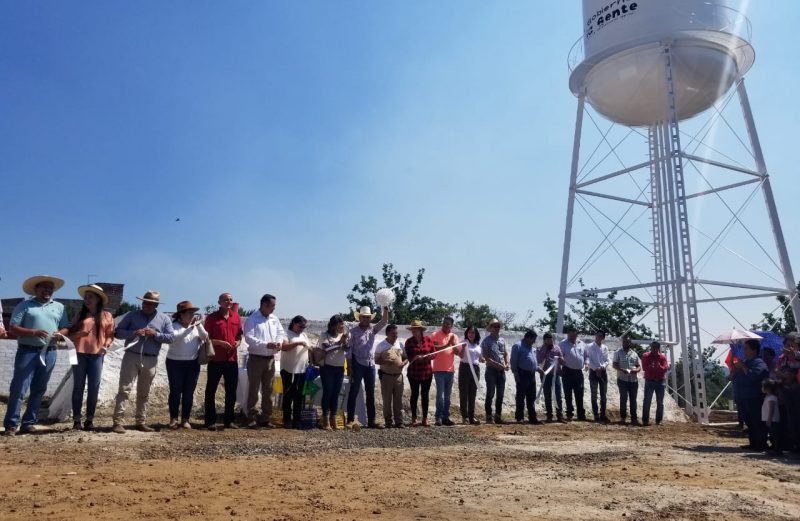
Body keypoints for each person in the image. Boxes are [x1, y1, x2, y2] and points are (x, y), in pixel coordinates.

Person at [4, 275, 70, 435]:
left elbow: (65, 327)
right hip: (27, 351)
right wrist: (33, 332)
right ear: (36, 289)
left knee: (39, 389)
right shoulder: (25, 305)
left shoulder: (60, 307)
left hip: (50, 352)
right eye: (44, 287)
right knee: (19, 388)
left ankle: (28, 422)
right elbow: (13, 327)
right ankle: (11, 424)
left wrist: (60, 334)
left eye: (50, 288)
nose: (47, 290)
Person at [112, 290, 174, 433]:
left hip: (151, 358)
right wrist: (134, 332)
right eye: (145, 302)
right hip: (131, 355)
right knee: (124, 389)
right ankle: (118, 422)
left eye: (150, 303)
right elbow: (118, 332)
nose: (146, 305)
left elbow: (171, 338)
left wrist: (155, 334)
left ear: (156, 304)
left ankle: (141, 421)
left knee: (144, 392)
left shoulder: (164, 319)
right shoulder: (132, 315)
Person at [68, 284, 114, 431]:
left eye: (90, 297)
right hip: (77, 354)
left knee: (94, 388)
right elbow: (69, 334)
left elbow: (110, 335)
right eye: (85, 297)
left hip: (97, 356)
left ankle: (89, 419)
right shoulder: (80, 315)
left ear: (98, 299)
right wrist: (78, 335)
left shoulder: (107, 316)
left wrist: (106, 345)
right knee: (78, 387)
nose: (87, 300)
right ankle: (76, 420)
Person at [204, 292, 244, 430]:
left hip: (231, 359)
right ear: (219, 302)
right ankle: (210, 421)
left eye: (231, 300)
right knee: (211, 391)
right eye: (226, 300)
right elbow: (205, 339)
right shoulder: (211, 318)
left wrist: (238, 343)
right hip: (215, 359)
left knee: (231, 391)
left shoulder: (236, 317)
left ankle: (229, 420)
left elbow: (239, 335)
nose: (229, 302)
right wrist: (219, 343)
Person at [243, 293, 283, 429]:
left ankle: (266, 417)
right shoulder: (252, 319)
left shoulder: (274, 319)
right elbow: (249, 338)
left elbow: (280, 332)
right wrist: (266, 344)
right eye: (272, 306)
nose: (274, 309)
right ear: (264, 305)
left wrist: (278, 343)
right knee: (254, 390)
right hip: (256, 359)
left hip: (270, 359)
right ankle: (251, 418)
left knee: (268, 389)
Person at [346, 305, 389, 429]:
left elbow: (384, 321)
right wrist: (349, 366)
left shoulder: (372, 329)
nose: (366, 319)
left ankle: (371, 421)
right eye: (364, 317)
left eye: (368, 317)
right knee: (353, 391)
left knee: (370, 393)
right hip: (357, 363)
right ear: (359, 318)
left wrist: (385, 309)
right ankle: (350, 419)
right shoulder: (353, 332)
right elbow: (349, 349)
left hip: (370, 364)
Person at [167, 300, 205, 430]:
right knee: (175, 391)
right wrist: (190, 327)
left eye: (193, 313)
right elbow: (174, 338)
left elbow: (205, 337)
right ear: (181, 315)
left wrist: (198, 325)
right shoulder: (174, 326)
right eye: (189, 313)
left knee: (189, 392)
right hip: (174, 363)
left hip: (193, 363)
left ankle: (185, 419)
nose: (192, 315)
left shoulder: (196, 326)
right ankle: (173, 418)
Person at [732, 338, 769, 451]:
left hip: (753, 397)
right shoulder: (747, 362)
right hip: (743, 397)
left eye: (746, 348)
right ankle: (753, 443)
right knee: (749, 422)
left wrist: (743, 367)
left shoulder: (758, 362)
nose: (744, 351)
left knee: (756, 421)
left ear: (754, 350)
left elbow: (756, 377)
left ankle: (761, 444)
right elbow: (739, 376)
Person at [318, 315, 349, 430]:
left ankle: (333, 418)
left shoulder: (343, 336)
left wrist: (345, 343)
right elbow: (326, 349)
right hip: (327, 367)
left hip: (340, 368)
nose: (342, 326)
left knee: (336, 394)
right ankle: (325, 419)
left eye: (343, 324)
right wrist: (339, 343)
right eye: (340, 324)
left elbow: (347, 349)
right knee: (328, 392)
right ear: (334, 325)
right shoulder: (324, 335)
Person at [280, 315, 310, 429]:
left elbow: (309, 349)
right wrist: (297, 343)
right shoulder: (286, 334)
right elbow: (284, 347)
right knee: (288, 394)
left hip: (301, 369)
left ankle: (297, 419)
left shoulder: (304, 335)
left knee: (299, 396)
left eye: (304, 327)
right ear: (293, 323)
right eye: (300, 326)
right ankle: (287, 419)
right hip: (288, 369)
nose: (302, 329)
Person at [375, 324, 407, 428]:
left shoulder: (400, 344)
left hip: (398, 376)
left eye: (396, 333)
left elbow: (406, 357)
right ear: (387, 334)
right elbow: (376, 360)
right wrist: (384, 361)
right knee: (387, 400)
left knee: (398, 400)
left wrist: (404, 363)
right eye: (393, 333)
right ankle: (388, 421)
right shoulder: (381, 345)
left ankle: (399, 421)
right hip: (386, 376)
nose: (395, 335)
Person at [405, 320, 435, 427]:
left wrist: (430, 356)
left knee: (425, 395)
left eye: (416, 329)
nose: (414, 331)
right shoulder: (409, 342)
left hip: (426, 372)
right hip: (414, 372)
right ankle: (414, 418)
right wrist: (416, 358)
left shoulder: (428, 340)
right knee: (414, 395)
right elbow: (409, 357)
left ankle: (425, 418)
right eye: (413, 329)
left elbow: (434, 353)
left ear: (420, 330)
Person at [431, 316, 459, 427]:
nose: (445, 325)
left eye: (448, 324)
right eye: (444, 323)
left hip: (450, 370)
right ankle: (438, 417)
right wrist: (448, 344)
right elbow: (434, 348)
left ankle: (446, 417)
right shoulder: (435, 335)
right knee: (440, 396)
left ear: (452, 326)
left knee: (447, 396)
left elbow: (456, 352)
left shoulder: (454, 336)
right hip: (438, 370)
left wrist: (453, 345)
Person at [510, 330, 541, 424]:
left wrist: (538, 369)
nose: (534, 342)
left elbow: (533, 361)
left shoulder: (532, 348)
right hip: (522, 374)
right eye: (533, 339)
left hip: (531, 375)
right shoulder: (518, 346)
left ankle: (532, 417)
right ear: (528, 338)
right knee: (521, 396)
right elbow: (513, 361)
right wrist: (515, 374)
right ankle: (520, 417)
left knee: (531, 397)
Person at [481, 318, 508, 424]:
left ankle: (498, 415)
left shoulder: (502, 340)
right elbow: (486, 357)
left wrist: (507, 363)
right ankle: (488, 416)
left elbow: (505, 353)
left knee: (500, 395)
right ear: (490, 328)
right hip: (491, 370)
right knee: (490, 394)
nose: (496, 328)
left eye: (498, 326)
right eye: (494, 326)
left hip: (502, 371)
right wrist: (497, 364)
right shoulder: (486, 341)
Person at [558, 326, 588, 421]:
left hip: (578, 372)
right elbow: (558, 357)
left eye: (574, 336)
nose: (572, 338)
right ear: (568, 334)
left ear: (576, 335)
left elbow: (587, 356)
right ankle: (569, 414)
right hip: (567, 371)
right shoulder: (562, 344)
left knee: (579, 394)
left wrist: (587, 363)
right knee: (568, 394)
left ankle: (581, 414)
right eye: (571, 335)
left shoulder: (582, 344)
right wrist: (560, 361)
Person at [457, 326, 484, 425]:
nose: (471, 334)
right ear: (466, 333)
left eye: (473, 333)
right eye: (469, 332)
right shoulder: (463, 342)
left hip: (475, 369)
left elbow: (480, 358)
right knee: (464, 393)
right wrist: (463, 348)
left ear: (476, 334)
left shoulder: (477, 345)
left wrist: (483, 359)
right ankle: (465, 417)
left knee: (472, 393)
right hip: (465, 368)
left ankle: (471, 416)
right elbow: (460, 355)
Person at [613, 335, 641, 426]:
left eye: (628, 342)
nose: (626, 343)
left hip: (633, 380)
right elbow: (614, 364)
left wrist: (636, 370)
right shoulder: (618, 352)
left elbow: (638, 366)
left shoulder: (634, 354)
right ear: (622, 342)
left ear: (630, 343)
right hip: (622, 379)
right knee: (623, 399)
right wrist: (622, 370)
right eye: (624, 342)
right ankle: (623, 418)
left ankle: (634, 419)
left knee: (633, 400)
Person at [641, 340, 670, 426]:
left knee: (660, 402)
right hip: (649, 381)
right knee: (647, 401)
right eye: (652, 347)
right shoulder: (645, 356)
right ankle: (645, 420)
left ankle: (659, 420)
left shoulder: (662, 357)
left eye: (655, 347)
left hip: (660, 382)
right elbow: (645, 368)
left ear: (658, 348)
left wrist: (658, 367)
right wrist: (657, 368)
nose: (653, 349)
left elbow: (665, 368)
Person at [537, 332, 564, 422]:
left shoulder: (557, 348)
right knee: (547, 394)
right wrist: (544, 349)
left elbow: (561, 360)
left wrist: (561, 360)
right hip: (545, 375)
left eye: (551, 338)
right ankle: (549, 415)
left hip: (555, 375)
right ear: (544, 340)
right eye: (548, 339)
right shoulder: (540, 348)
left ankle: (560, 415)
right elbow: (539, 360)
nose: (550, 340)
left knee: (558, 394)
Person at [586, 331, 610, 423]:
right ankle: (596, 414)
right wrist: (596, 369)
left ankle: (603, 414)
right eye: (597, 335)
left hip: (603, 372)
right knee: (594, 394)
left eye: (601, 336)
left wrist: (602, 367)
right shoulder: (589, 346)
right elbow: (588, 359)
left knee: (603, 395)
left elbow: (607, 360)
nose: (598, 337)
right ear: (595, 336)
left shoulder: (605, 348)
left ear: (603, 338)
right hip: (593, 372)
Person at [762, 378, 782, 455]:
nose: (762, 388)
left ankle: (777, 449)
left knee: (775, 434)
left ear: (767, 388)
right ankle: (774, 448)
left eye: (763, 387)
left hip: (773, 419)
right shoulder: (768, 397)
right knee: (772, 434)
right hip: (771, 419)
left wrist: (769, 419)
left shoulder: (772, 398)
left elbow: (771, 409)